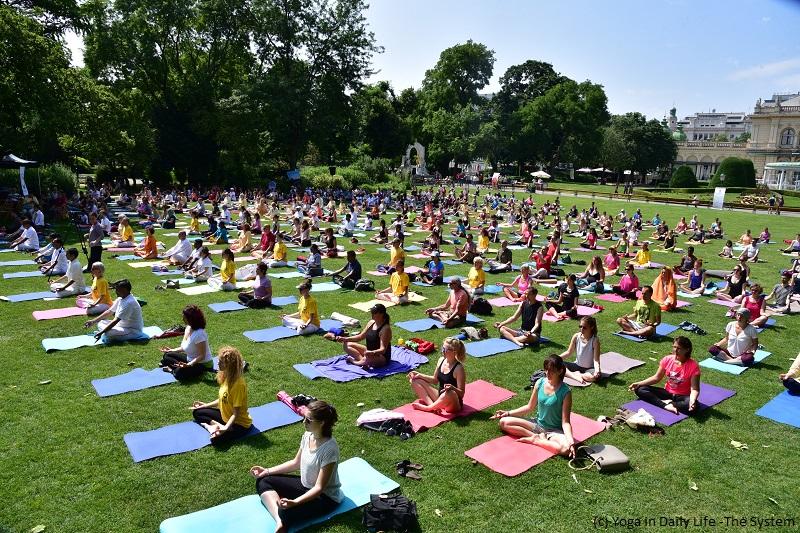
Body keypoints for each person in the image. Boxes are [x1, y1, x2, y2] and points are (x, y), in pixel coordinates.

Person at [250, 400, 342, 533]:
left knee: (285, 511)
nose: (304, 421)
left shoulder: (330, 449)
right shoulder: (307, 436)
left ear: (322, 423)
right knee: (263, 480)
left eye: (309, 420)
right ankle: (280, 521)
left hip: (325, 498)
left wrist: (296, 502)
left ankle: (282, 517)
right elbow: (295, 463)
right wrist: (267, 471)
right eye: (304, 417)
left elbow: (319, 487)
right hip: (305, 486)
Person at [491, 355, 575, 457]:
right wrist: (508, 413)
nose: (547, 373)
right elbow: (529, 407)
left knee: (566, 449)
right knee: (503, 422)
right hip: (537, 425)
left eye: (552, 371)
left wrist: (570, 441)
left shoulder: (565, 392)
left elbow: (565, 422)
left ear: (560, 371)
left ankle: (537, 441)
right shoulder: (540, 382)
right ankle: (536, 437)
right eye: (546, 370)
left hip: (554, 431)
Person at [191, 346, 252, 444]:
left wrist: (225, 428)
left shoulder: (238, 385)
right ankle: (215, 426)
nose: (218, 363)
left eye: (221, 362)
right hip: (225, 417)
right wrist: (205, 405)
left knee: (215, 440)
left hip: (239, 424)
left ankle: (215, 427)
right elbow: (222, 399)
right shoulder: (226, 376)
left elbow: (236, 414)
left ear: (229, 365)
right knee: (197, 412)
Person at [629, 336, 700, 415]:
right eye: (674, 347)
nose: (675, 350)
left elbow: (695, 389)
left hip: (682, 396)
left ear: (687, 350)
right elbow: (656, 378)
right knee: (640, 389)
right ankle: (666, 405)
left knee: (692, 405)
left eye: (679, 348)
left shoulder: (693, 366)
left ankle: (668, 403)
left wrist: (692, 400)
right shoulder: (667, 359)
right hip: (667, 393)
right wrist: (639, 383)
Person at [407, 337, 466, 413]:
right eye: (442, 348)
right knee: (414, 380)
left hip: (452, 403)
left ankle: (428, 408)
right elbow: (435, 380)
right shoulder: (441, 360)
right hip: (440, 396)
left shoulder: (458, 368)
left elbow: (461, 394)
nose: (442, 351)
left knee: (450, 393)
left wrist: (452, 388)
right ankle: (433, 407)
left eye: (445, 349)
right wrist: (419, 375)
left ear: (454, 352)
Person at [159, 305, 214, 379]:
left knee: (179, 373)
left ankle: (172, 370)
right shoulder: (188, 328)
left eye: (184, 317)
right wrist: (171, 350)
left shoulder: (199, 334)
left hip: (202, 364)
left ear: (191, 319)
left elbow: (202, 356)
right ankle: (177, 367)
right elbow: (184, 347)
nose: (182, 319)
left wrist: (189, 364)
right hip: (189, 359)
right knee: (167, 355)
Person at [329, 303, 392, 368]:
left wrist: (372, 353)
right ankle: (363, 361)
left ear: (381, 314)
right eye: (372, 312)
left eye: (374, 313)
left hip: (381, 356)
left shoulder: (385, 329)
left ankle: (354, 361)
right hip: (368, 352)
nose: (372, 315)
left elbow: (383, 350)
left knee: (367, 358)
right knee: (347, 345)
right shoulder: (371, 323)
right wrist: (345, 339)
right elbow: (360, 337)